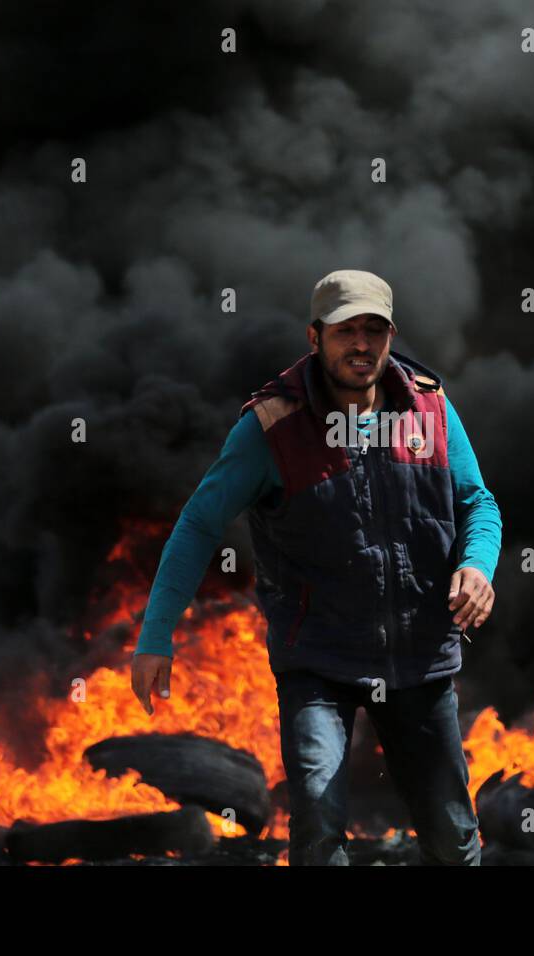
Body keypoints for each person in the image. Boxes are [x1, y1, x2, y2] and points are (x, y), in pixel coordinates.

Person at [130, 268, 503, 865]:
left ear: (390, 334)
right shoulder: (271, 429)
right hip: (319, 665)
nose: (361, 344)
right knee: (321, 833)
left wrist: (478, 566)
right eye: (345, 330)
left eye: (373, 330)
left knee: (454, 840)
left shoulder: (431, 409)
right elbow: (199, 524)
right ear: (315, 337)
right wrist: (155, 635)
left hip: (420, 660)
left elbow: (477, 502)